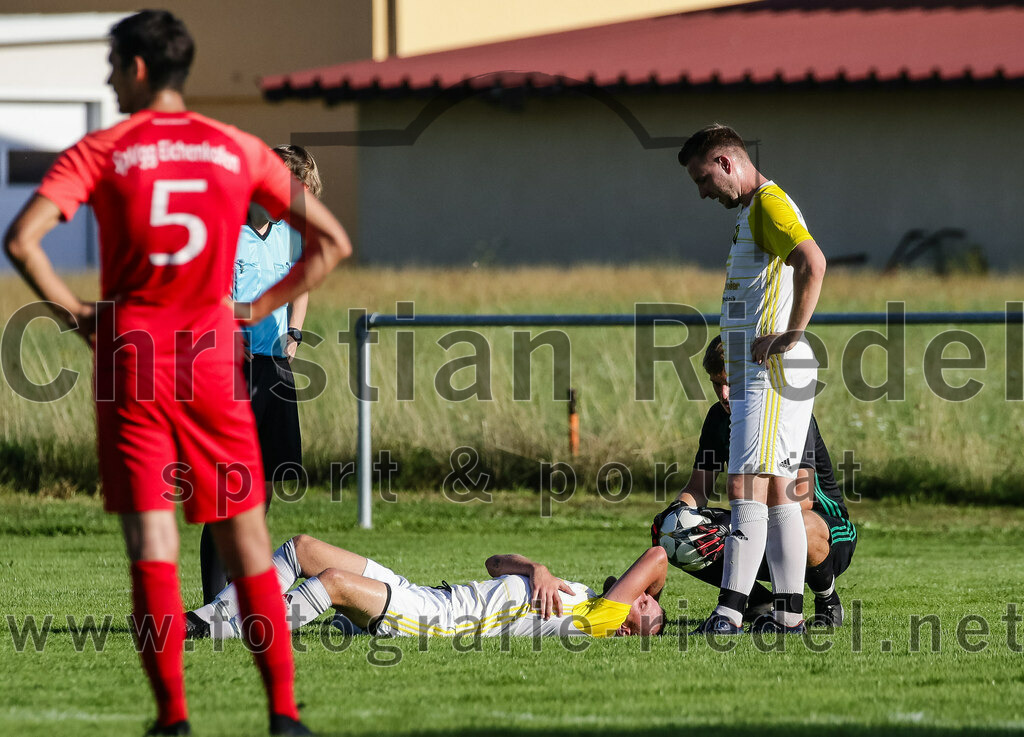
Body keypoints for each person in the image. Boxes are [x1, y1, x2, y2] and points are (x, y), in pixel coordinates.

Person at [3, 11, 351, 736]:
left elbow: (23, 239)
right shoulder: (236, 147)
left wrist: (78, 317)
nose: (106, 79)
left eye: (110, 66)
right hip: (212, 361)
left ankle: (173, 718)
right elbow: (332, 242)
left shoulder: (103, 148)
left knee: (152, 543)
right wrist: (257, 305)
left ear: (134, 68)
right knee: (247, 538)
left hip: (134, 360)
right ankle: (284, 714)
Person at [678, 124, 827, 635]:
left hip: (770, 374)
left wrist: (790, 335)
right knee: (778, 490)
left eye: (702, 179)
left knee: (746, 485)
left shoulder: (768, 204)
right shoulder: (755, 209)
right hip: (767, 373)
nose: (700, 193)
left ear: (726, 163)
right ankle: (787, 616)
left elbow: (813, 260)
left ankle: (729, 614)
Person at [653, 336, 855, 627]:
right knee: (674, 531)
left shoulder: (789, 414)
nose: (723, 394)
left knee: (801, 525)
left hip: (824, 530)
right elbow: (697, 490)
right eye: (715, 383)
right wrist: (674, 515)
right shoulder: (717, 419)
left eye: (730, 382)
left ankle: (827, 599)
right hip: (761, 529)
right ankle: (758, 601)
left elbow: (800, 499)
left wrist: (731, 523)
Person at [198, 145, 321, 605]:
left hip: (275, 369)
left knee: (266, 486)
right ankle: (214, 600)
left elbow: (301, 286)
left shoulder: (291, 235)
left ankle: (237, 597)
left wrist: (294, 334)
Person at [186, 536, 667, 640]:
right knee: (303, 548)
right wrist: (537, 566)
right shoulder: (582, 595)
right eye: (646, 595)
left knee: (330, 583)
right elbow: (493, 560)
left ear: (630, 629)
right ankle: (210, 617)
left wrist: (652, 604)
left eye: (646, 605)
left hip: (436, 622)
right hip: (426, 593)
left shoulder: (600, 622)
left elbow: (657, 558)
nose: (643, 596)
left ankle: (228, 632)